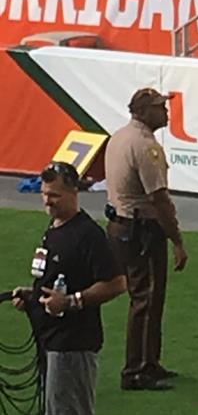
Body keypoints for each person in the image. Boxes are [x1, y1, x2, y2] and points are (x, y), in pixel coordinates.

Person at [11, 161, 127, 415]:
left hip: (73, 345)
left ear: (74, 191)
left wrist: (72, 301)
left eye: (54, 195)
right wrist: (33, 297)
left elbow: (117, 283)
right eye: (44, 194)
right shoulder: (54, 228)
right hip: (51, 341)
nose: (47, 201)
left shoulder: (88, 234)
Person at [105, 87, 189, 390]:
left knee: (145, 297)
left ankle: (148, 363)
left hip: (120, 226)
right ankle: (137, 370)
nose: (165, 112)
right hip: (141, 230)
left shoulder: (120, 137)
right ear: (142, 112)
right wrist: (176, 239)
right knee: (147, 298)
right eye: (159, 107)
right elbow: (159, 199)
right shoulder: (145, 146)